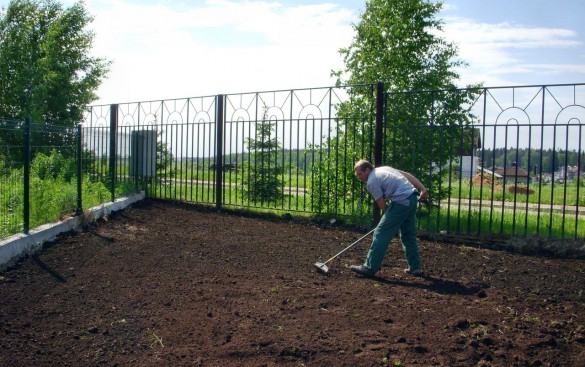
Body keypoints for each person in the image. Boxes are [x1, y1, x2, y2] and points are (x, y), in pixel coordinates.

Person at [350, 159, 428, 277]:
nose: (359, 177)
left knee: (380, 233)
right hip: (412, 198)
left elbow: (381, 204)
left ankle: (370, 267)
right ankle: (415, 267)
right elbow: (407, 175)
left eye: (360, 174)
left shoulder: (371, 181)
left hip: (401, 201)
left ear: (367, 169)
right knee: (408, 234)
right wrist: (423, 189)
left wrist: (389, 217)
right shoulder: (384, 169)